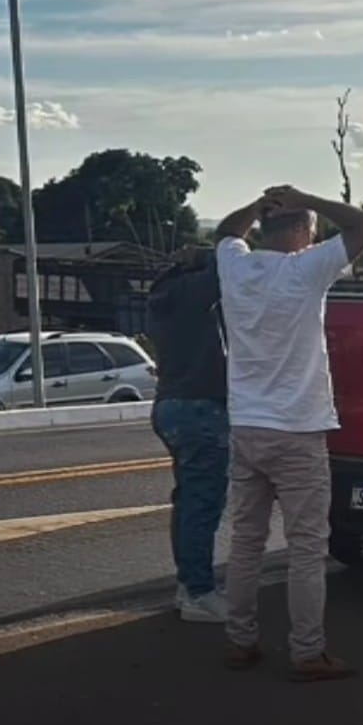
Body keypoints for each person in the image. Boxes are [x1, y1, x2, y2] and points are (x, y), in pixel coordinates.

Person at [214, 186, 363, 682]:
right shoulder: (307, 269)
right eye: (311, 229)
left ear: (265, 230)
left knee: (246, 543)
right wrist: (307, 196)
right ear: (304, 232)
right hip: (298, 428)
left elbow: (226, 231)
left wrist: (253, 206)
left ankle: (239, 641)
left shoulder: (237, 266)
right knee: (307, 546)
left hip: (246, 424)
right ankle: (307, 651)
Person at [147, 245, 229, 622]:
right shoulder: (194, 295)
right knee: (202, 504)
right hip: (200, 407)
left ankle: (188, 584)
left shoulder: (162, 297)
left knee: (188, 501)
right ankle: (199, 591)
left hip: (169, 405)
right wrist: (210, 253)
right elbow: (225, 266)